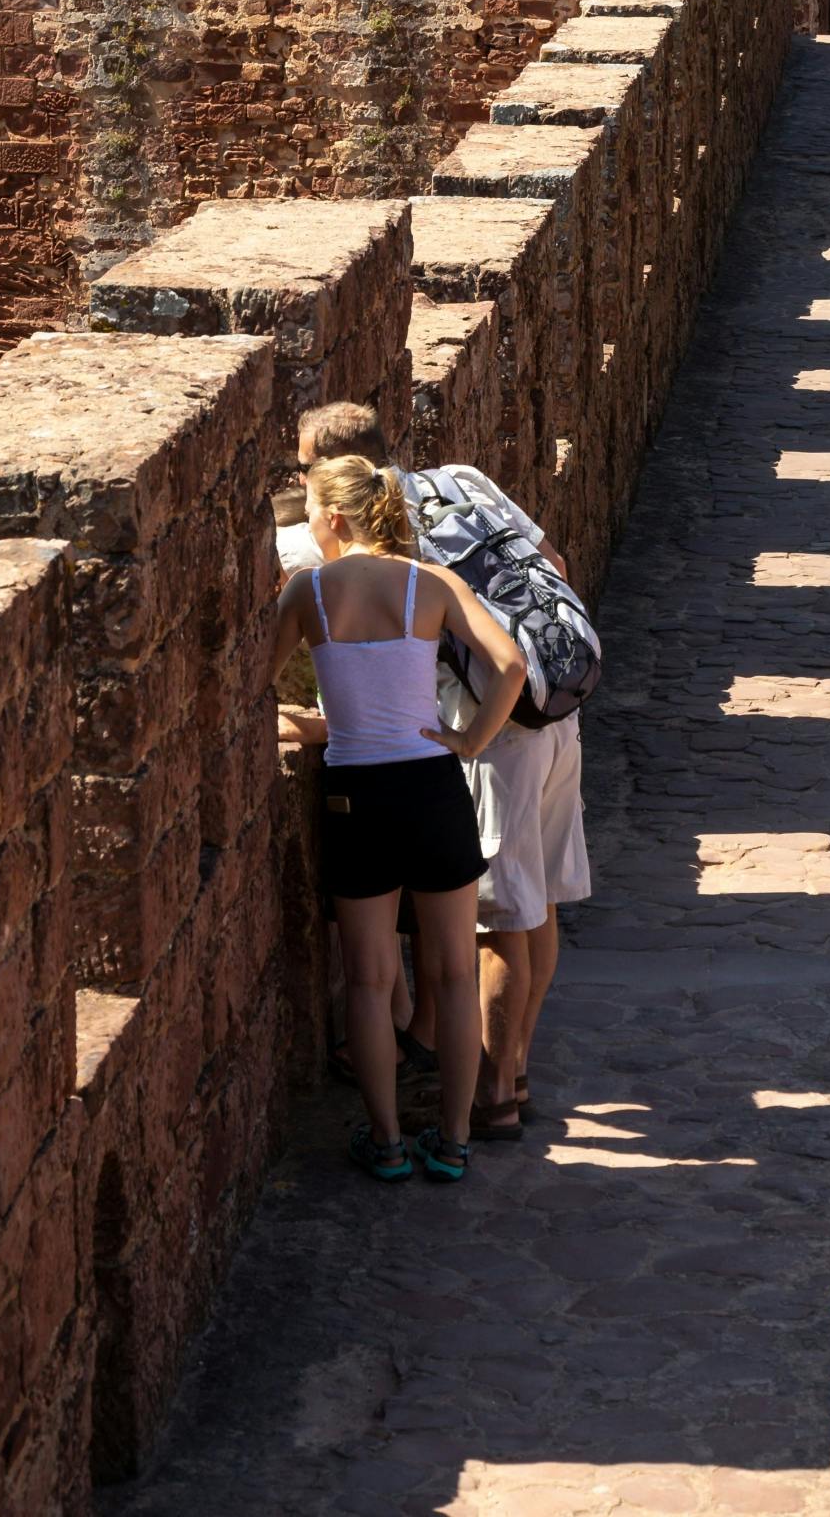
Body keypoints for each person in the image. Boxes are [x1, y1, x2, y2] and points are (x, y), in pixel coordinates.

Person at [296, 401, 593, 1145]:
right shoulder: (462, 479)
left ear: (333, 474)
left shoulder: (359, 540)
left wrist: (467, 739)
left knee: (496, 923)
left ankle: (494, 1098)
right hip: (555, 713)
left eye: (302, 470)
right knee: (542, 900)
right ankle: (510, 1068)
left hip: (488, 736)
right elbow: (552, 568)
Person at [273, 451, 524, 1183]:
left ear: (336, 516)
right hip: (432, 786)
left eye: (312, 510)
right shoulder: (431, 583)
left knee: (371, 982)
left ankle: (384, 1143)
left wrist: (316, 723)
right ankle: (451, 1141)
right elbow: (509, 665)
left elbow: (247, 684)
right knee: (450, 975)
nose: (310, 524)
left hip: (358, 796)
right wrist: (472, 740)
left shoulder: (309, 593)